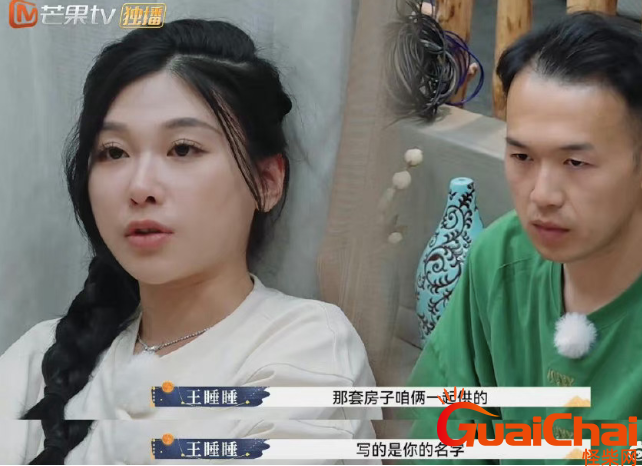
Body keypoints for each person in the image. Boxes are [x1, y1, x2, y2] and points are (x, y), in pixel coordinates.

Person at [0, 19, 379, 465]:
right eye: (114, 152)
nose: (140, 187)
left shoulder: (305, 348)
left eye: (182, 149)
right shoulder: (39, 358)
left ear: (267, 181)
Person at [405, 12, 642, 464]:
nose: (542, 195)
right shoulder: (499, 257)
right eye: (521, 156)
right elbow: (443, 432)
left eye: (576, 163)